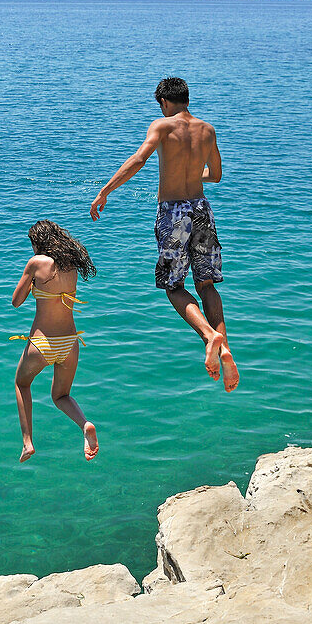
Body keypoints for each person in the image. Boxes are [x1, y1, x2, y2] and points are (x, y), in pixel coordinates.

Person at [90, 77, 239, 392]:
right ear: (187, 98)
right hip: (202, 210)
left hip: (173, 212)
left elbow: (139, 160)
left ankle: (209, 337)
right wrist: (188, 170)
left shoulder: (161, 126)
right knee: (207, 285)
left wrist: (106, 190)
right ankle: (225, 347)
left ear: (164, 103)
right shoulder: (207, 130)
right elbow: (216, 174)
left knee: (174, 286)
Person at [10, 220, 99, 462]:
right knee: (61, 396)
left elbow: (16, 302)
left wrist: (31, 284)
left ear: (37, 242)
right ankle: (85, 424)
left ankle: (27, 442)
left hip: (42, 343)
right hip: (70, 343)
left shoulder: (36, 263)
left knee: (21, 384)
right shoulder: (71, 265)